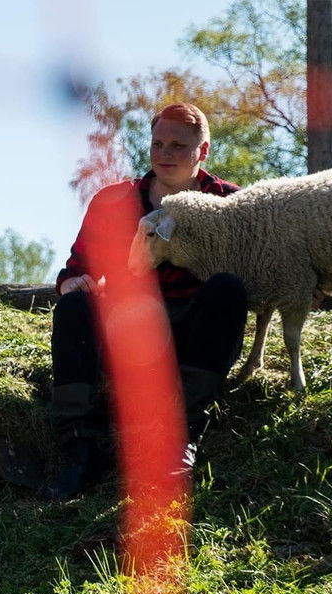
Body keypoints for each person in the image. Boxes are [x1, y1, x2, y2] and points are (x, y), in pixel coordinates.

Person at [44, 103, 248, 500]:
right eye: (158, 144)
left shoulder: (229, 203)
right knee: (73, 306)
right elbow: (75, 267)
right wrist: (73, 283)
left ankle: (181, 434)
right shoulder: (114, 201)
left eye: (178, 145)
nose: (165, 154)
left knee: (228, 288)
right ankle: (80, 447)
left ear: (202, 151)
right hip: (128, 332)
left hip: (193, 331)